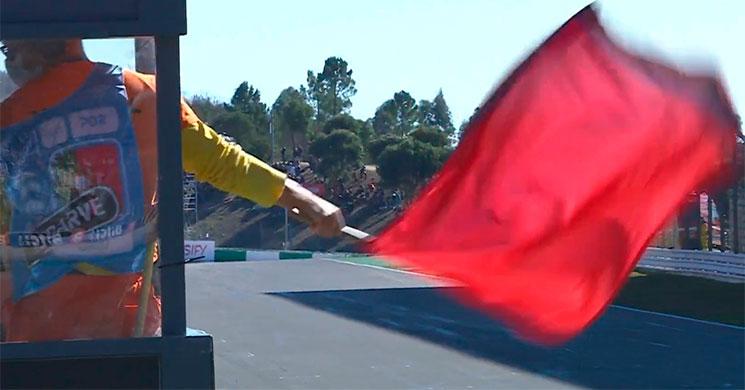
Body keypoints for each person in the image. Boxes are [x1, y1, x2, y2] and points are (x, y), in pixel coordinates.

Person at [0, 39, 345, 342]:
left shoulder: (9, 117)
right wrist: (305, 200)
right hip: (127, 322)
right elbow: (223, 162)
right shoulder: (143, 93)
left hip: (34, 330)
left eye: (8, 46)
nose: (7, 55)